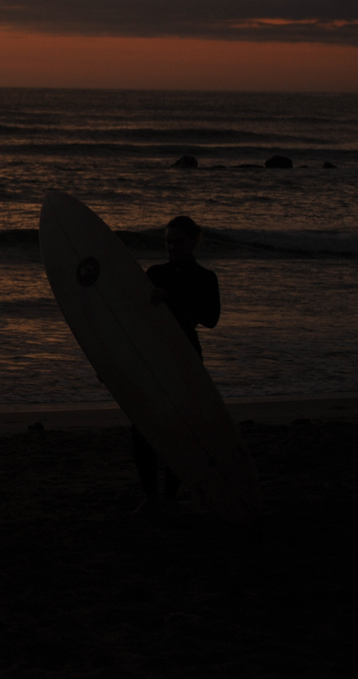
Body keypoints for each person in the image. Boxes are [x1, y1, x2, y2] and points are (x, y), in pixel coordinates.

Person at [134, 214, 221, 514]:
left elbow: (210, 319)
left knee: (181, 428)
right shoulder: (155, 273)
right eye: (168, 242)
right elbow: (138, 318)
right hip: (154, 354)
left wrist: (171, 299)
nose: (172, 247)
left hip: (185, 355)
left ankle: (170, 497)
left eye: (178, 241)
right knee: (143, 427)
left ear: (194, 241)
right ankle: (150, 496)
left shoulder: (206, 278)